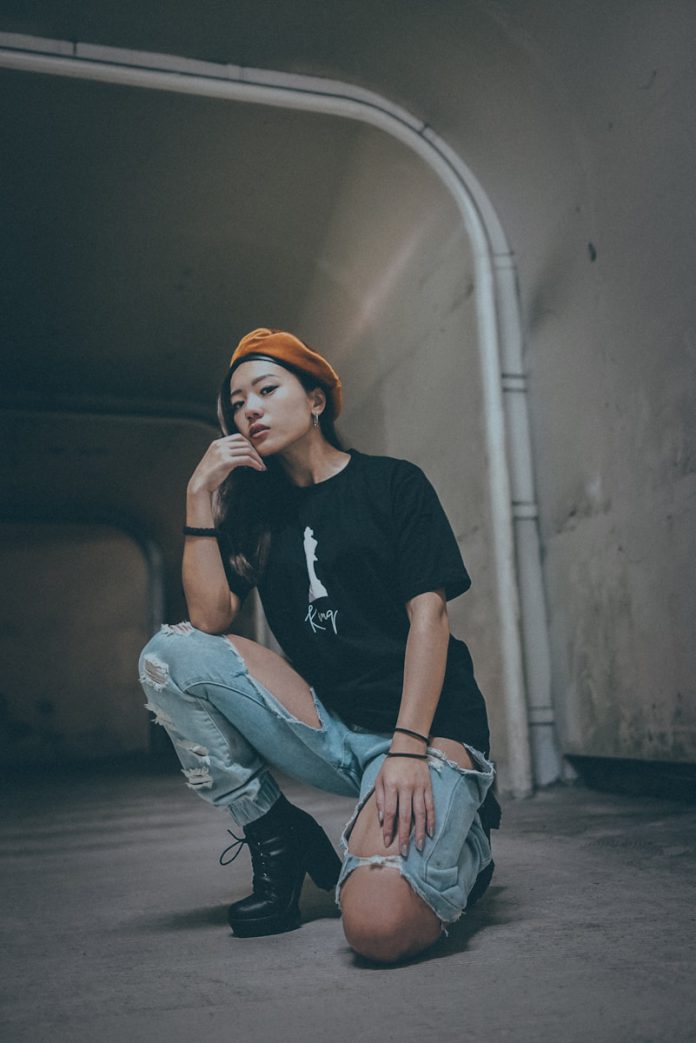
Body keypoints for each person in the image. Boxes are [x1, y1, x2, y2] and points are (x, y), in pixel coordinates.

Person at [139, 327, 500, 964]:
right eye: (237, 401)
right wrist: (198, 495)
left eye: (266, 389)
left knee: (376, 928)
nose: (249, 408)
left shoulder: (392, 484)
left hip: (428, 729)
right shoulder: (256, 514)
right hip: (334, 728)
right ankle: (276, 832)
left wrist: (408, 750)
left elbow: (430, 621)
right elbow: (210, 618)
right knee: (170, 657)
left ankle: (466, 841)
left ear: (315, 401)